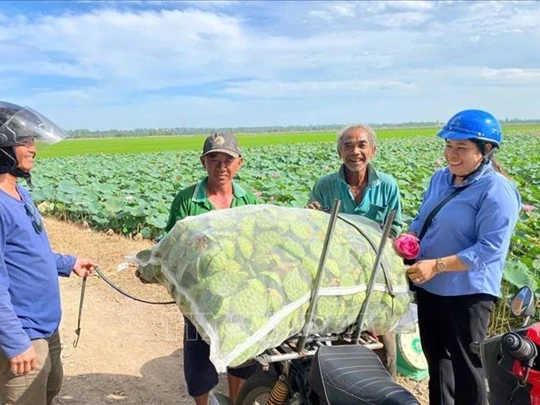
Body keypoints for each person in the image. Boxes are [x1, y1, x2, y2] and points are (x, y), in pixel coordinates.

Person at [404, 110, 521, 405]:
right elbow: (422, 218)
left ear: (486, 150)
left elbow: (490, 248)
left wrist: (439, 265)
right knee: (438, 365)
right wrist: (410, 238)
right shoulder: (440, 178)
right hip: (431, 289)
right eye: (448, 146)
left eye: (461, 148)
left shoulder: (497, 189)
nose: (451, 155)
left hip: (468, 294)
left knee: (467, 368)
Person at [0, 102, 96, 405]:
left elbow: (32, 253)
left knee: (51, 390)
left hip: (45, 326)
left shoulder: (19, 193)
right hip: (23, 332)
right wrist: (15, 343)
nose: (33, 149)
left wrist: (69, 263)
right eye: (25, 141)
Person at [164, 132, 259, 405]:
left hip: (240, 291)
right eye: (213, 159)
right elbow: (172, 243)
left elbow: (254, 247)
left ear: (239, 163)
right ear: (202, 163)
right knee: (198, 355)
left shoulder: (247, 200)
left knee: (242, 351)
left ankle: (236, 399)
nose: (221, 166)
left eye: (227, 159)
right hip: (199, 293)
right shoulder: (186, 200)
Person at [307, 123, 403, 379]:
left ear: (373, 150)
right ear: (339, 152)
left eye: (361, 145)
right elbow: (313, 231)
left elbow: (395, 227)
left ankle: (386, 387)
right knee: (336, 338)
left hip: (375, 273)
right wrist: (312, 217)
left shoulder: (388, 186)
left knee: (385, 345)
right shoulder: (325, 186)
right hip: (336, 273)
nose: (355, 151)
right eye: (348, 146)